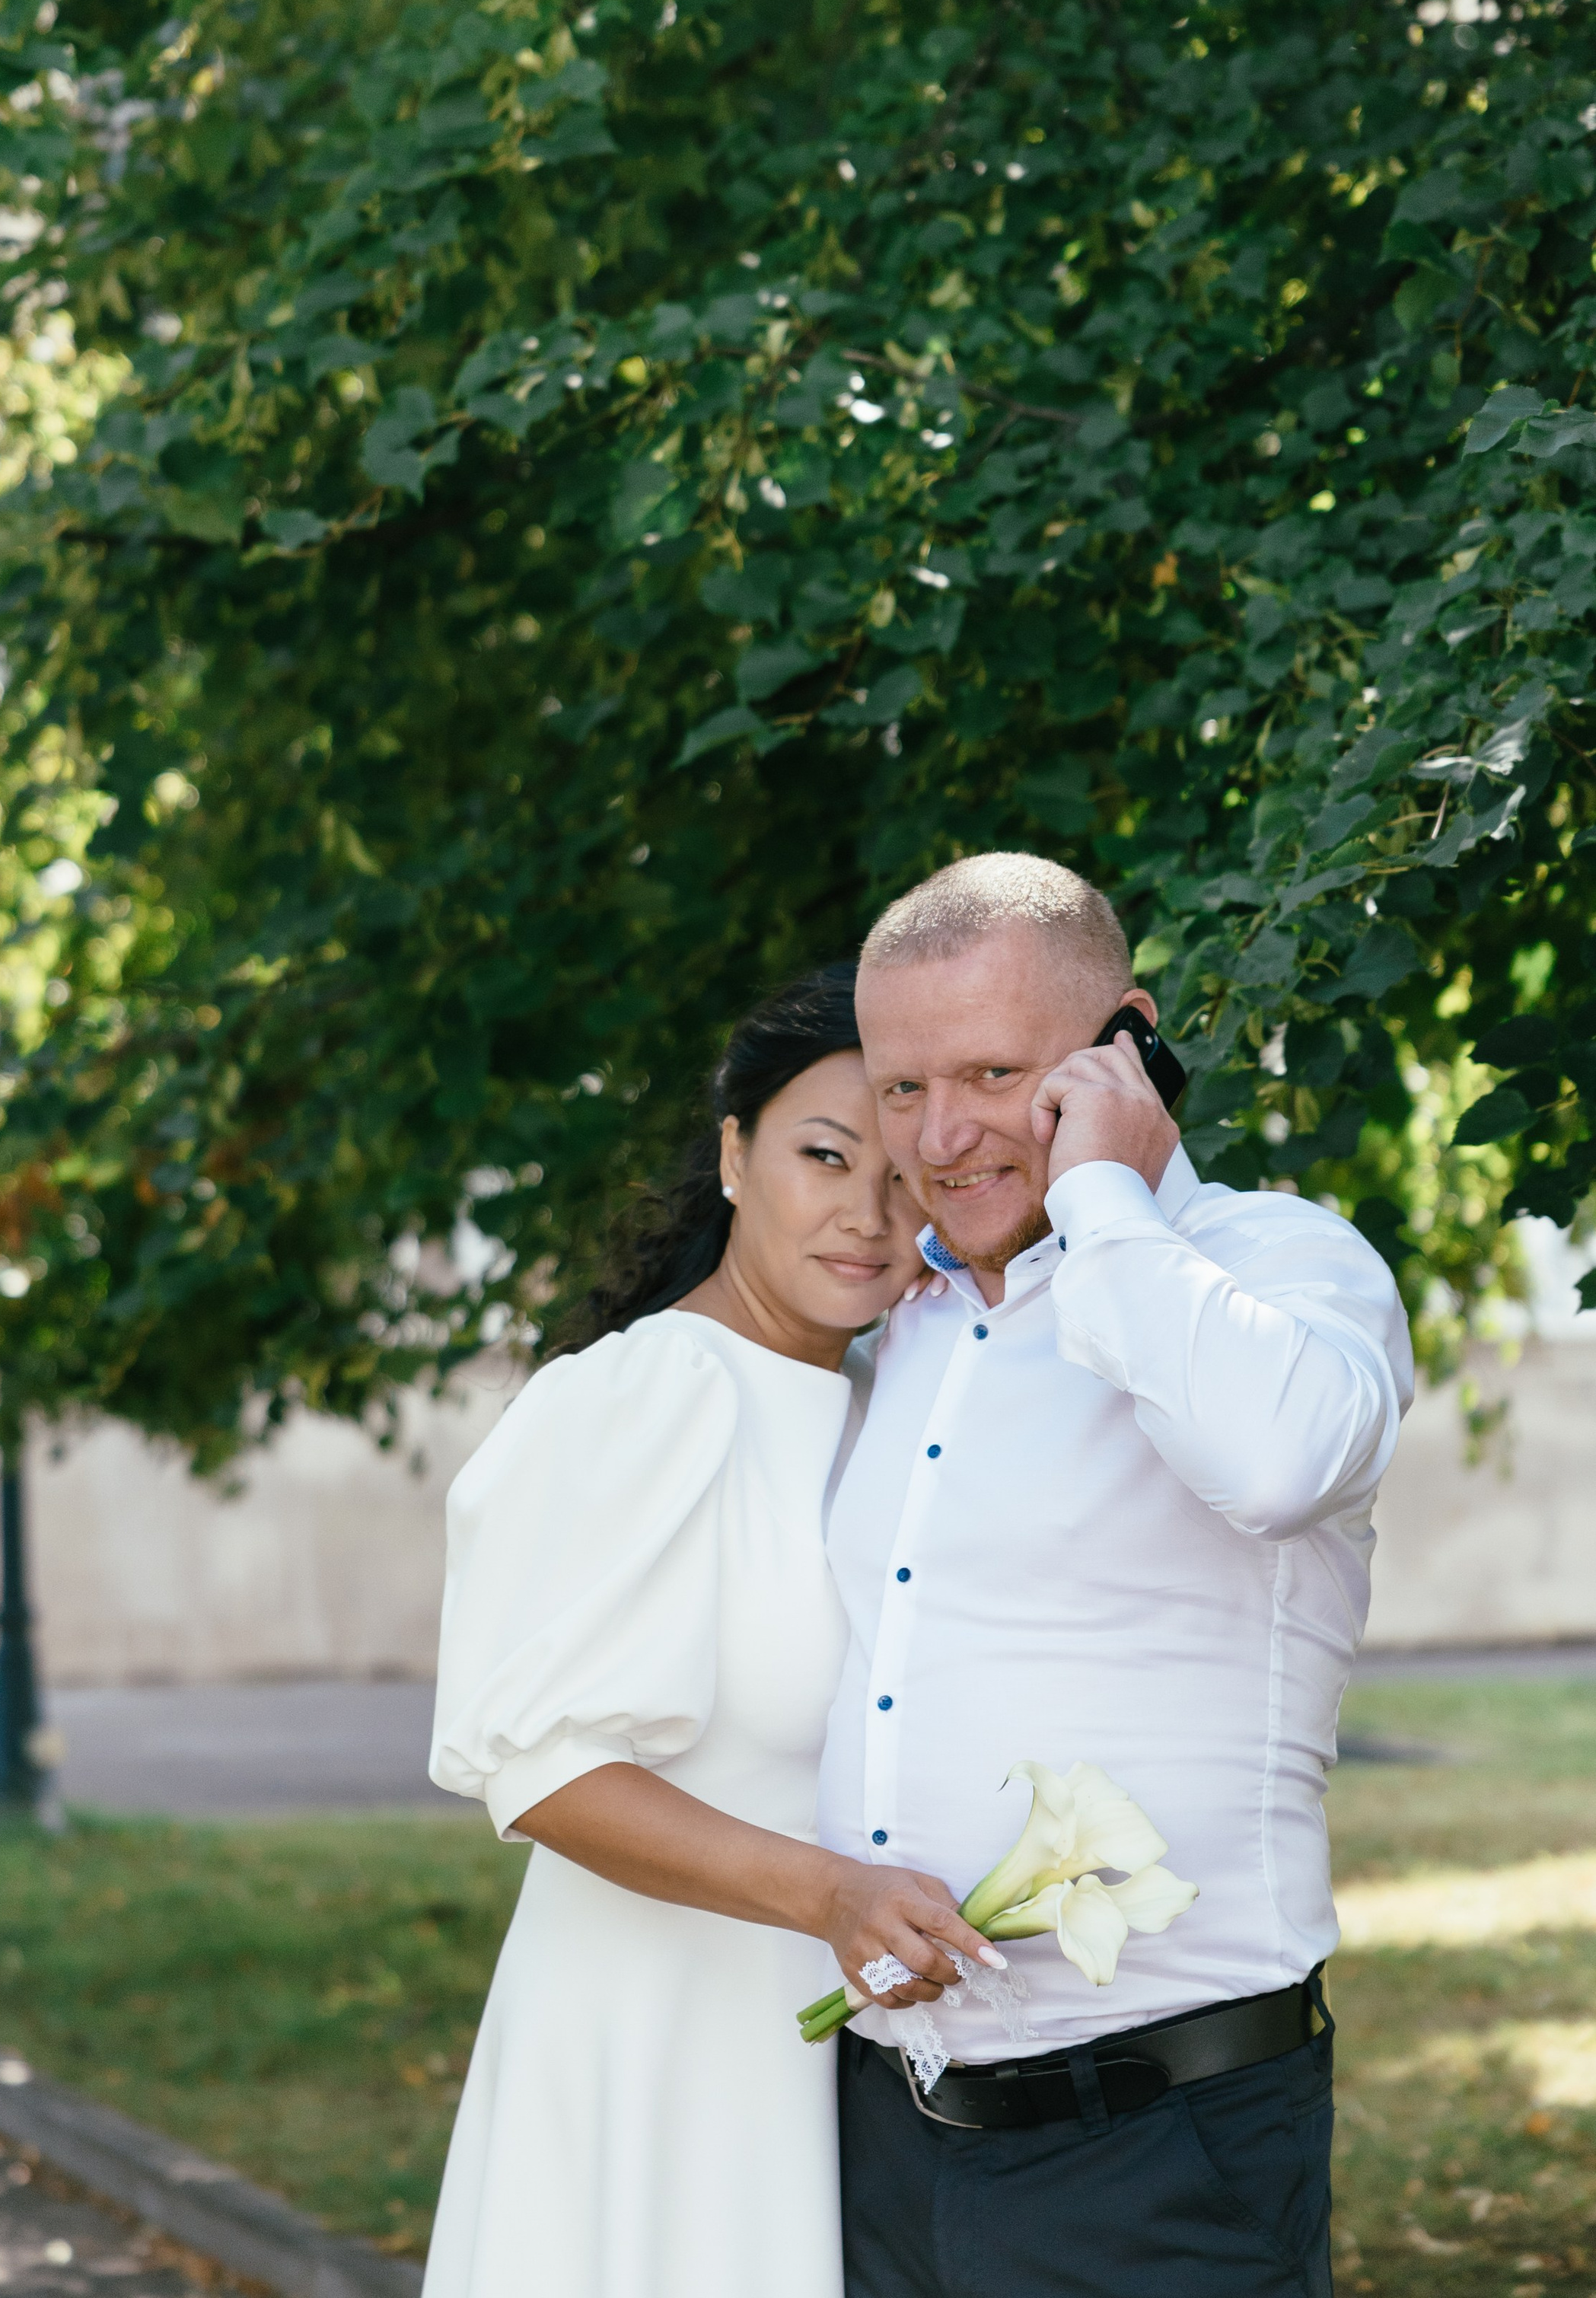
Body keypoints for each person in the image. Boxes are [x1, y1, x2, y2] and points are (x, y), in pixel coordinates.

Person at [826, 851, 1415, 2298]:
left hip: (1159, 2144)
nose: (942, 1134)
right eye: (902, 1089)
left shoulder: (1283, 1266)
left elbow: (1276, 1465)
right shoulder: (901, 1323)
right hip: (883, 2137)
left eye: (992, 1073)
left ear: (1126, 1045)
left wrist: (1101, 1194)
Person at [422, 964, 992, 2298]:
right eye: (824, 1157)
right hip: (653, 2041)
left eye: (903, 1176)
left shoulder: (896, 1402)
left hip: (832, 2057)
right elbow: (546, 1775)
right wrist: (829, 1897)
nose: (866, 1216)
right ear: (736, 1155)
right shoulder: (652, 1392)